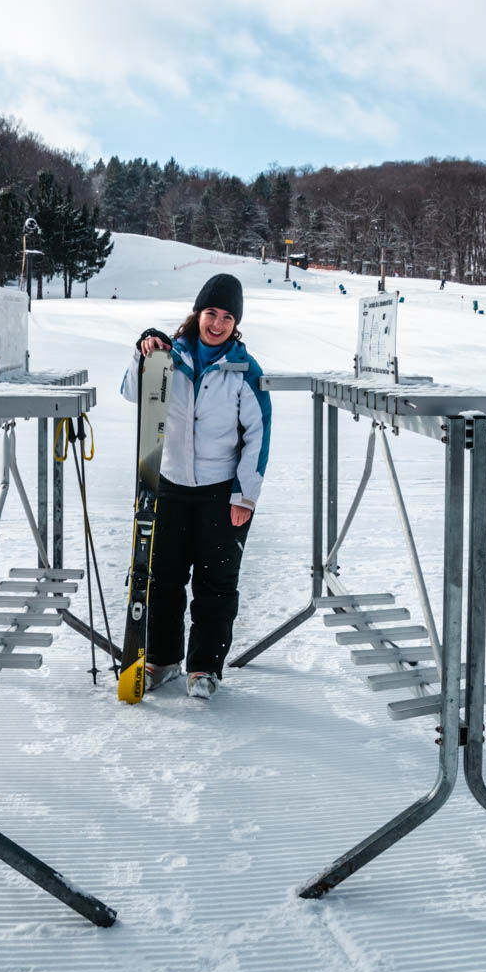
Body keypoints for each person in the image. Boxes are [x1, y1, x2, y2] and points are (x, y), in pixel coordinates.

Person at [120, 273, 271, 700]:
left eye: (226, 317)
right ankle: (163, 661)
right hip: (167, 484)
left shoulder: (244, 370)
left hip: (221, 492)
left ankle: (204, 668)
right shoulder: (172, 356)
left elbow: (259, 436)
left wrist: (245, 496)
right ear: (197, 314)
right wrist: (143, 352)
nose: (217, 324)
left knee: (215, 584)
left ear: (235, 323)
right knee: (163, 578)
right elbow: (131, 392)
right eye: (211, 313)